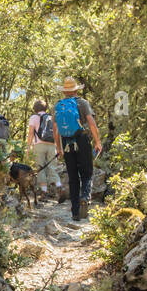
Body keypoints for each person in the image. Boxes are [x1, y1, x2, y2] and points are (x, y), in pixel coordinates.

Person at [52, 78, 102, 220]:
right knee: (87, 173)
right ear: (76, 90)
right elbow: (91, 123)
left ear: (64, 91)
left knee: (73, 178)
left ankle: (75, 212)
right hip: (82, 139)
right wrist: (97, 141)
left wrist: (58, 148)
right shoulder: (82, 103)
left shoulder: (58, 106)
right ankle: (85, 197)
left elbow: (55, 129)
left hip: (66, 142)